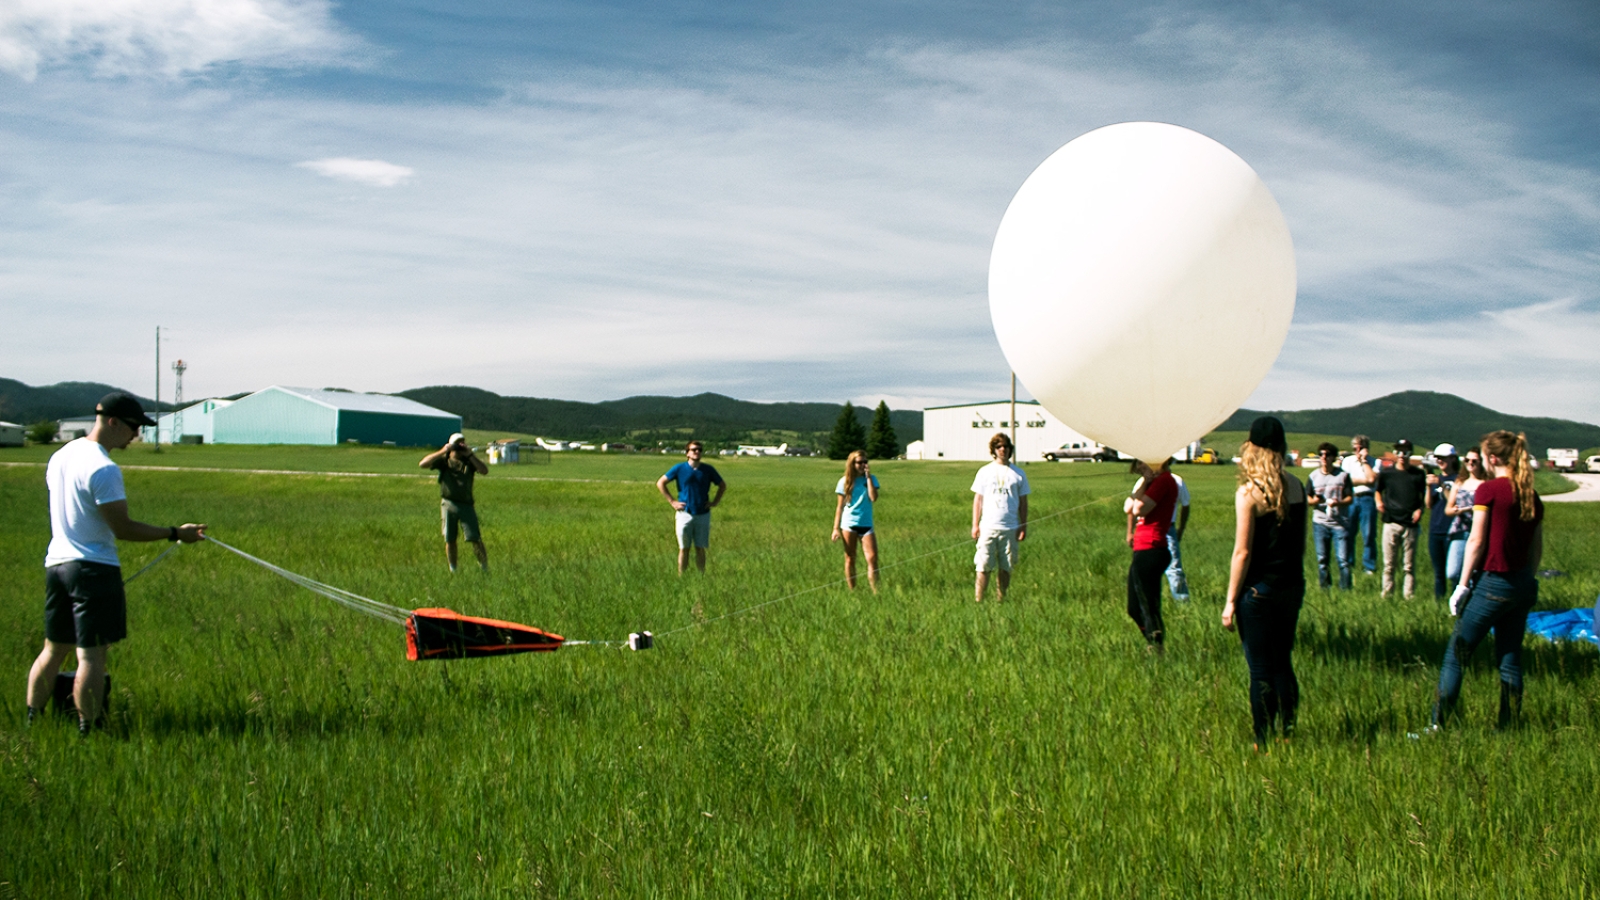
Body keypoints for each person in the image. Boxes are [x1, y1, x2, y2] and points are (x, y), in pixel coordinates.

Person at [25, 392, 207, 734]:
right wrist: (175, 533)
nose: (136, 435)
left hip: (57, 566)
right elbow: (123, 528)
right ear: (113, 422)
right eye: (134, 427)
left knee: (53, 650)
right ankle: (88, 728)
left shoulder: (61, 456)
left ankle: (32, 719)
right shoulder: (103, 467)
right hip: (92, 569)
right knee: (91, 657)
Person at [1432, 430, 1544, 730]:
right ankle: (1507, 726)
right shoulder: (1530, 494)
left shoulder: (1489, 491)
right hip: (1522, 585)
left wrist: (1462, 584)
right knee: (1510, 659)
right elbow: (1536, 549)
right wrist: (1526, 580)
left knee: (1457, 655)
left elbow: (1476, 541)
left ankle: (1438, 725)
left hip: (1493, 583)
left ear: (1492, 458)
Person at [1221, 416, 1308, 747]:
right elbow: (1299, 543)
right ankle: (1287, 733)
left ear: (1252, 449)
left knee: (1260, 670)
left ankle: (1262, 740)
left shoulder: (1249, 493)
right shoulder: (1297, 486)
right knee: (1283, 662)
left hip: (1258, 592)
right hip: (1290, 585)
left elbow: (1242, 553)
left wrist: (1230, 601)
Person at [1125, 458, 1178, 649]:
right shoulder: (1154, 482)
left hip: (1152, 548)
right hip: (1142, 548)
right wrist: (1146, 482)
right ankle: (1153, 641)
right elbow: (1128, 507)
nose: (1139, 467)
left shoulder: (1164, 480)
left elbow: (1139, 508)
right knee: (1134, 607)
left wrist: (1148, 484)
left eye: (1142, 463)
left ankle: (1156, 646)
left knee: (1148, 604)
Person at [971, 433, 1029, 602]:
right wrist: (975, 525)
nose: (1002, 449)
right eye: (999, 447)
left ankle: (1001, 599)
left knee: (1006, 566)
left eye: (1006, 446)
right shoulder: (984, 472)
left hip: (1010, 527)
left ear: (1010, 449)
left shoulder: (1018, 474)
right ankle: (979, 600)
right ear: (994, 450)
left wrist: (1023, 526)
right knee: (983, 566)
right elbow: (978, 500)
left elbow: (1023, 503)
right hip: (987, 527)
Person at [419, 433, 489, 573]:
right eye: (457, 444)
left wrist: (470, 455)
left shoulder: (469, 461)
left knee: (474, 537)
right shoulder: (444, 460)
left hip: (466, 504)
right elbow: (423, 464)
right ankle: (453, 569)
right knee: (450, 539)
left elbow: (484, 470)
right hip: (448, 503)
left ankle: (484, 568)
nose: (459, 447)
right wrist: (443, 451)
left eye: (462, 443)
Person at [657, 440, 726, 574]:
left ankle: (701, 575)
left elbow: (722, 485)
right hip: (684, 513)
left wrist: (714, 502)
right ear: (687, 453)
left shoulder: (708, 469)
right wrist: (672, 501)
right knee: (684, 548)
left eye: (699, 450)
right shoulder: (679, 468)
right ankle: (681, 575)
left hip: (703, 514)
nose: (697, 452)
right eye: (694, 449)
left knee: (700, 548)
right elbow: (661, 483)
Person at [1375, 438, 1428, 599]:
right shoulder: (1387, 474)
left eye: (1405, 452)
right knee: (1389, 565)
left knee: (1408, 566)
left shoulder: (1417, 474)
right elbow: (1378, 490)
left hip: (1410, 524)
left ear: (1410, 453)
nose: (1402, 455)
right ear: (1395, 453)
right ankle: (1387, 594)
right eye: (1399, 452)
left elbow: (1424, 496)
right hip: (1391, 521)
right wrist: (1378, 502)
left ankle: (1408, 596)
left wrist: (1420, 510)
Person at [831, 450, 881, 591]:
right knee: (850, 559)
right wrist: (835, 528)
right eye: (859, 462)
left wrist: (869, 478)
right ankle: (853, 590)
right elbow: (839, 507)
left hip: (866, 524)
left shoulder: (872, 479)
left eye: (865, 462)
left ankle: (876, 591)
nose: (863, 465)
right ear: (852, 464)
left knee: (872, 558)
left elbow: (873, 498)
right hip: (849, 524)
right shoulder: (844, 482)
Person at [1307, 442, 1354, 590]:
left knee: (1343, 560)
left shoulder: (1343, 476)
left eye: (1327, 455)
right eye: (1321, 454)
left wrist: (1337, 503)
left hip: (1340, 523)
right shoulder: (1313, 476)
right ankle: (1325, 589)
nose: (1324, 457)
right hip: (1320, 522)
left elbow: (1350, 498)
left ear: (1333, 458)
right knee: (1322, 560)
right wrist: (1314, 501)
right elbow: (1307, 497)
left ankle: (1346, 589)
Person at [1443, 446, 1486, 585]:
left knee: (1475, 571)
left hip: (1479, 530)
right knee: (1453, 572)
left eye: (1475, 461)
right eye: (1467, 460)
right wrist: (1459, 510)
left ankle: (1470, 598)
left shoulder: (1486, 484)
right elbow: (1448, 509)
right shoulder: (1460, 483)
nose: (1470, 463)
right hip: (1460, 530)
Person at [1425, 444, 1460, 599]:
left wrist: (1442, 485)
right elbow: (1429, 504)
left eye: (1443, 458)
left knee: (1453, 572)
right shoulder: (1436, 478)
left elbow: (1453, 503)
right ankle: (1439, 602)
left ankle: (1455, 602)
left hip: (1452, 529)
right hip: (1436, 528)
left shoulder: (1458, 479)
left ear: (1452, 459)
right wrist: (1428, 487)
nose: (1440, 461)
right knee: (1438, 572)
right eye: (1437, 458)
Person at [1341, 435, 1379, 575]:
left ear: (1366, 448)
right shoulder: (1347, 461)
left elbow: (1372, 480)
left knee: (1368, 533)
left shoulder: (1375, 462)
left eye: (1360, 448)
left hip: (1367, 499)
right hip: (1351, 499)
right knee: (1348, 532)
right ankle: (1348, 563)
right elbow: (1345, 481)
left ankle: (1369, 566)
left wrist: (1364, 462)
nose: (1357, 451)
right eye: (1355, 448)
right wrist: (1365, 480)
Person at [1165, 470, 1192, 602]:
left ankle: (1182, 603)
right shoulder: (1144, 481)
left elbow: (1185, 504)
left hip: (1169, 528)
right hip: (1148, 529)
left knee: (1174, 569)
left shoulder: (1177, 480)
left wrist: (1181, 528)